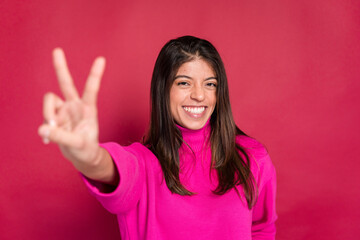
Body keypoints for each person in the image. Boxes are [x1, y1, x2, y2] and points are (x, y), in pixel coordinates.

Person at [38, 36, 277, 240]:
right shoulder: (142, 164)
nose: (199, 95)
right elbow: (109, 167)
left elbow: (262, 229)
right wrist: (88, 157)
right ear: (163, 90)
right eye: (184, 83)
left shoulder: (252, 157)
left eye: (210, 84)